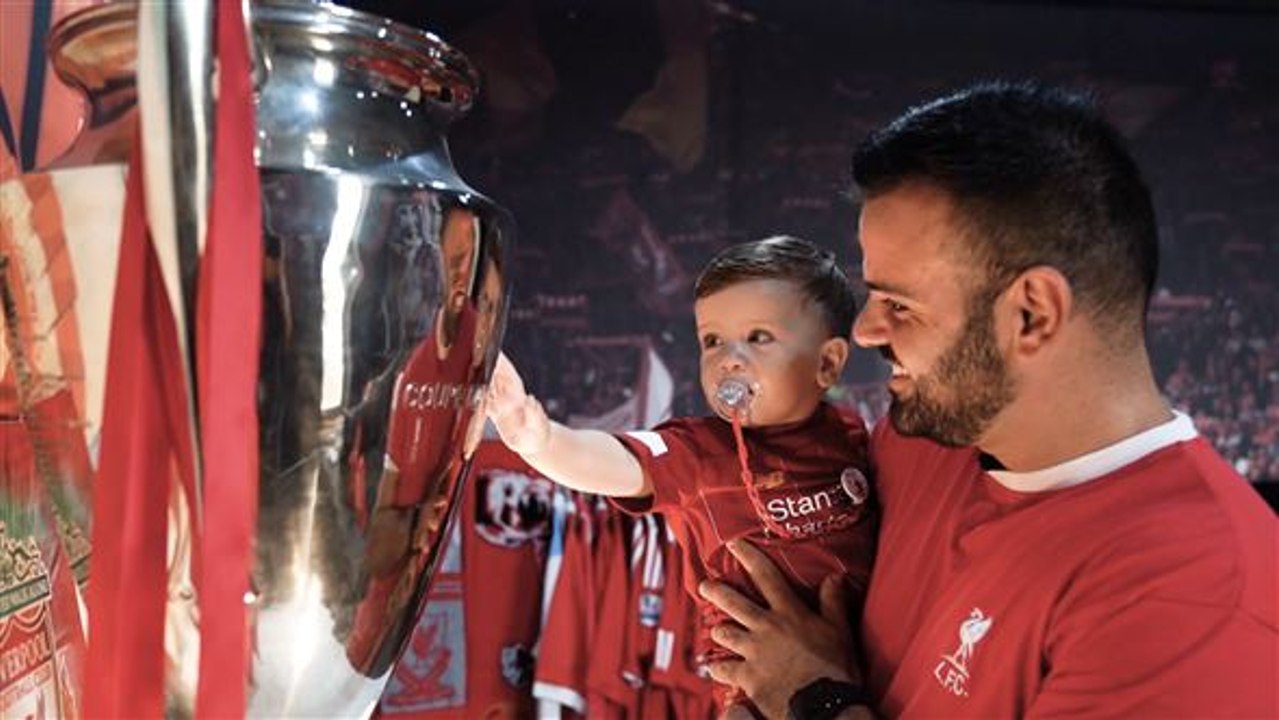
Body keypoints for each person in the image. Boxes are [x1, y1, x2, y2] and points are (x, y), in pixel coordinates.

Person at [698, 81, 1278, 719]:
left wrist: (816, 699)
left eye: (899, 304)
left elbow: (801, 682)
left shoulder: (1197, 595)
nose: (865, 331)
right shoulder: (917, 442)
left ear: (1031, 314)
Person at [486, 236, 877, 717]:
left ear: (827, 363)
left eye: (758, 337)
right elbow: (620, 462)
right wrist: (540, 439)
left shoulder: (853, 436)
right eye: (712, 340)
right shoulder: (698, 451)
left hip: (870, 667)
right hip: (755, 690)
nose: (728, 358)